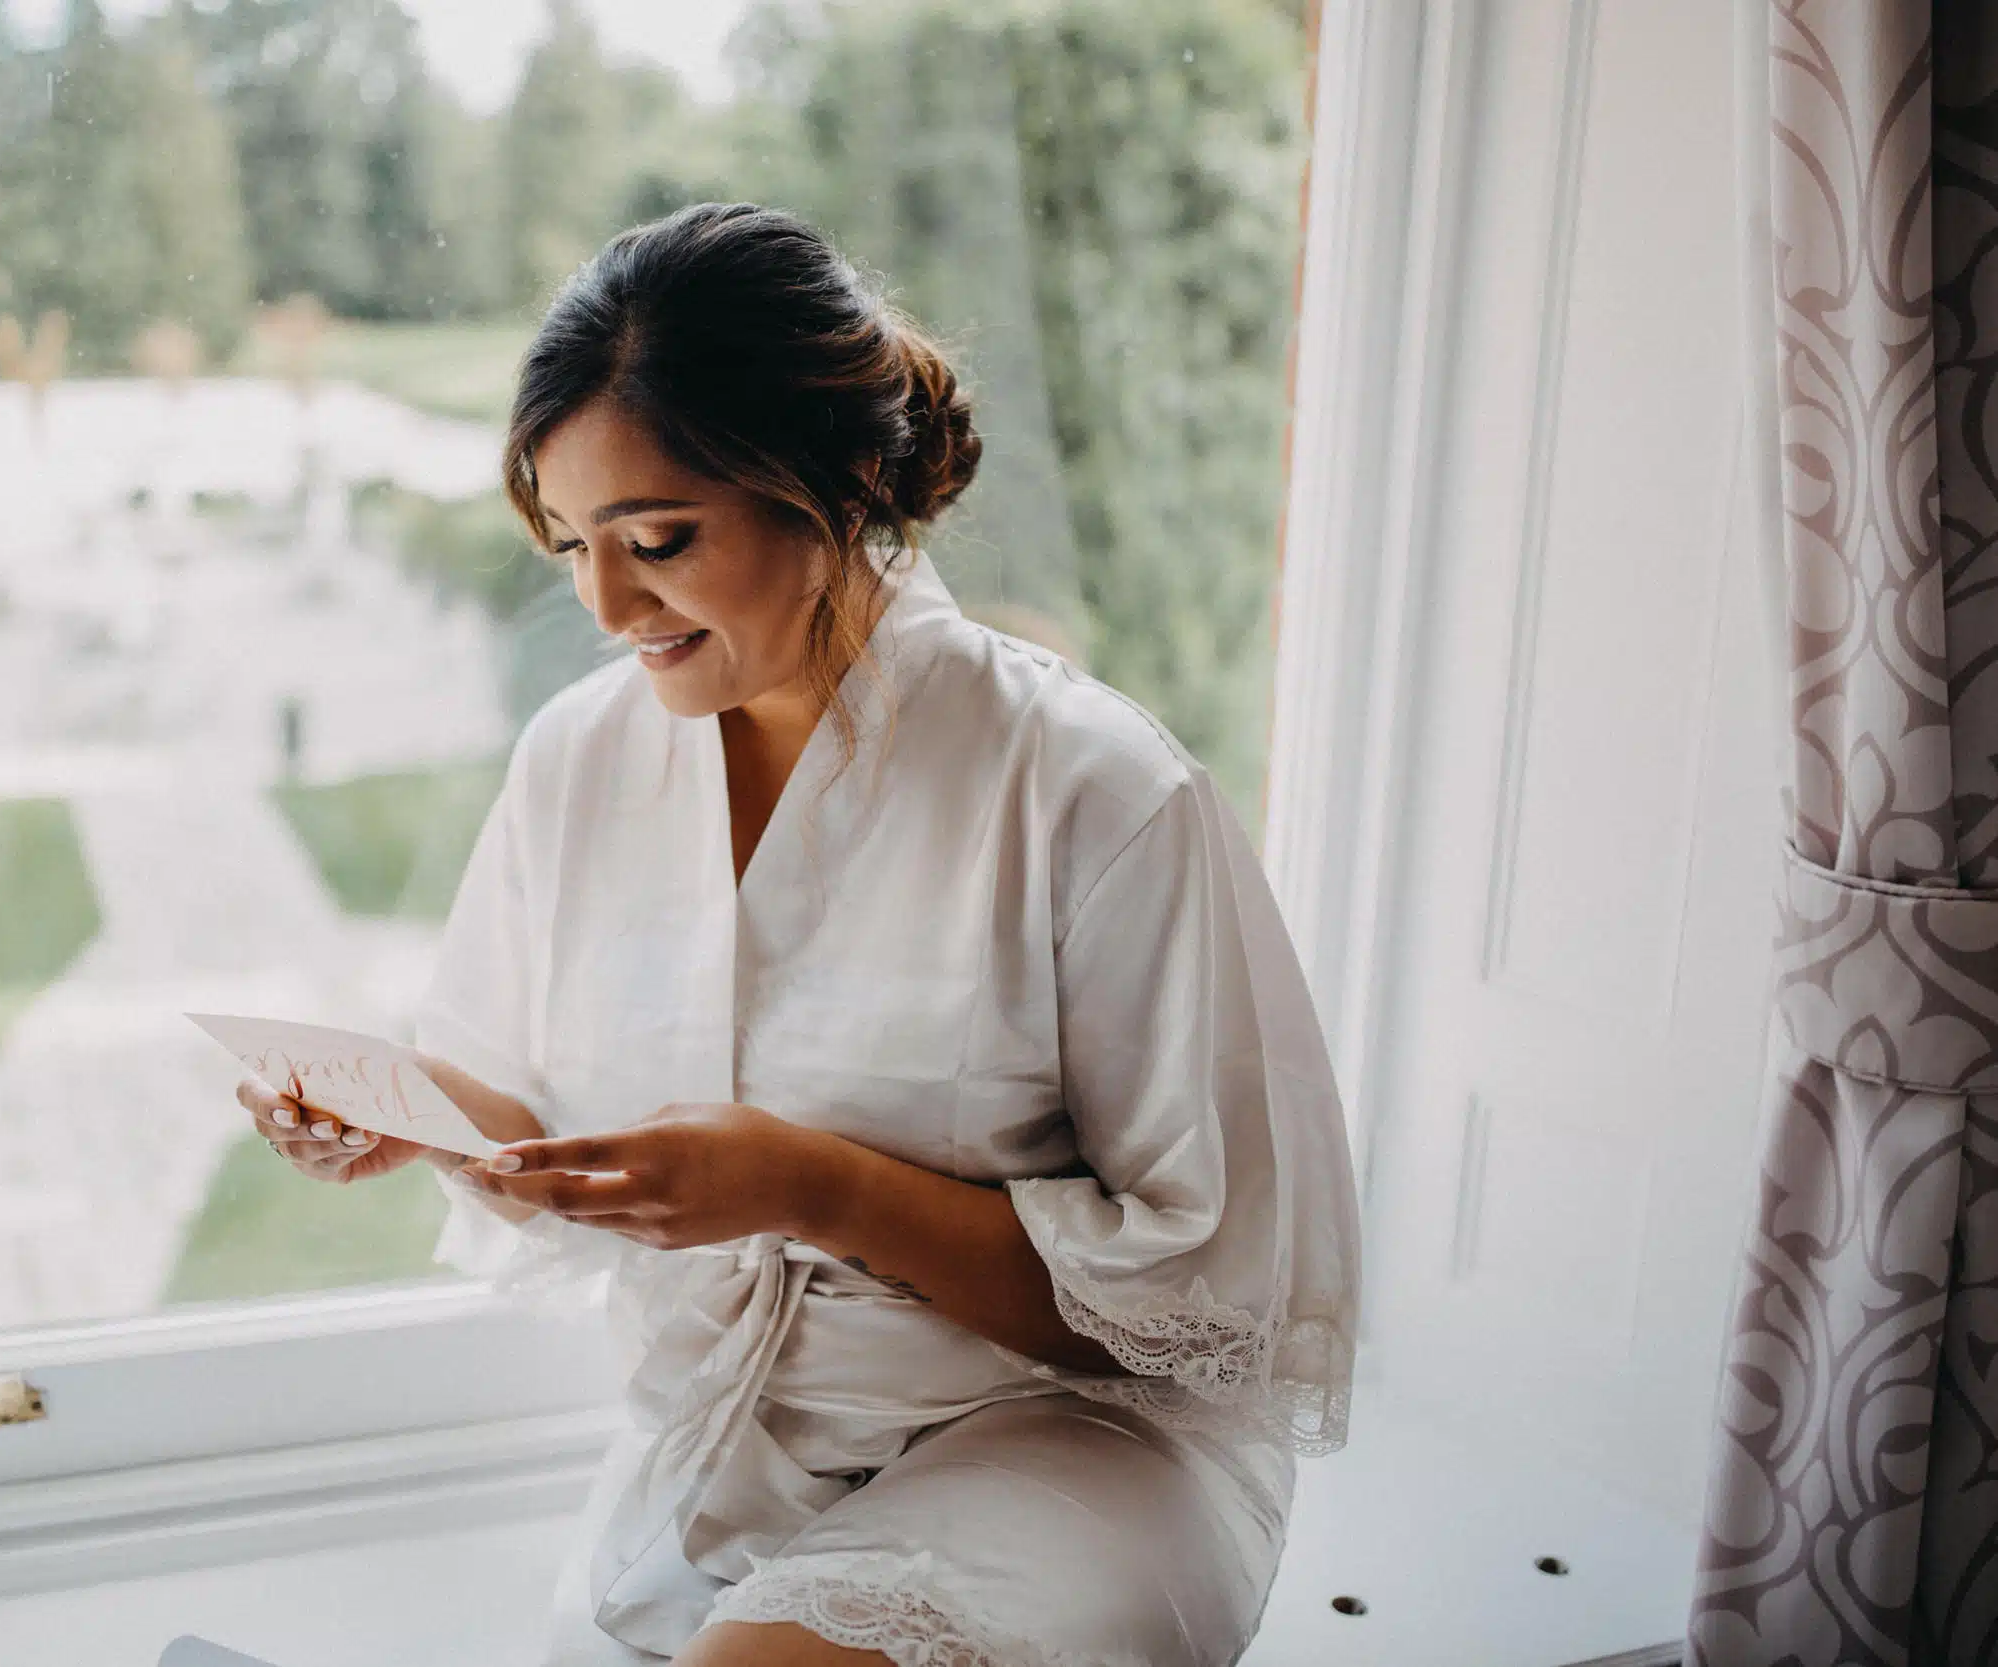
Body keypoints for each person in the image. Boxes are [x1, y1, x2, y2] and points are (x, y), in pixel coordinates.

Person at [237, 202, 1360, 1667]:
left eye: (656, 539)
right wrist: (405, 1115)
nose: (605, 602)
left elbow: (1209, 1309)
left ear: (832, 484)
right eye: (571, 543)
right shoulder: (579, 763)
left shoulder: (1093, 789)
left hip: (1071, 1436)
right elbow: (540, 1133)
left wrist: (812, 1185)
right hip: (730, 1450)